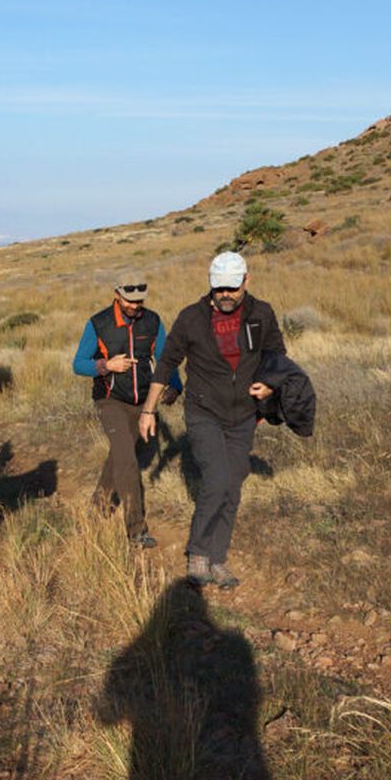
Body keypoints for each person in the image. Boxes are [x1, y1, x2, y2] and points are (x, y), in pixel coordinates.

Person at [139, 252, 285, 589]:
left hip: (244, 414)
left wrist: (270, 388)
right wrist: (149, 410)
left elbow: (277, 356)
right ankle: (199, 554)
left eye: (232, 288)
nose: (226, 295)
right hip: (203, 411)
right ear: (210, 284)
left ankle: (218, 559)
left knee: (232, 487)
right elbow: (166, 364)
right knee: (217, 481)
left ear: (246, 281)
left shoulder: (261, 314)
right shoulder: (191, 318)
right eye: (219, 288)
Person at [71, 274, 180, 548]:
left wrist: (174, 386)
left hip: (143, 403)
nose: (135, 306)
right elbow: (78, 364)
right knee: (128, 459)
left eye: (139, 301)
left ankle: (96, 509)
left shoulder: (153, 321)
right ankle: (136, 530)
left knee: (118, 458)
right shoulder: (99, 323)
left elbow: (166, 359)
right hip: (110, 400)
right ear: (117, 295)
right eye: (129, 301)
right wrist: (107, 365)